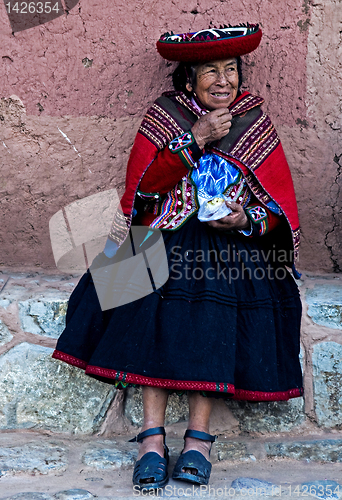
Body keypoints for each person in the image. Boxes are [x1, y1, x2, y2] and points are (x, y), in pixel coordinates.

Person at [53, 23, 303, 490]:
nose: (223, 81)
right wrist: (195, 140)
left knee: (213, 303)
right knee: (147, 294)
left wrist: (243, 218)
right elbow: (143, 191)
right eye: (211, 71)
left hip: (232, 245)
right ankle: (152, 439)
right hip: (161, 232)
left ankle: (198, 439)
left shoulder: (254, 122)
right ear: (189, 79)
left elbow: (278, 212)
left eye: (231, 70)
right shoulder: (165, 117)